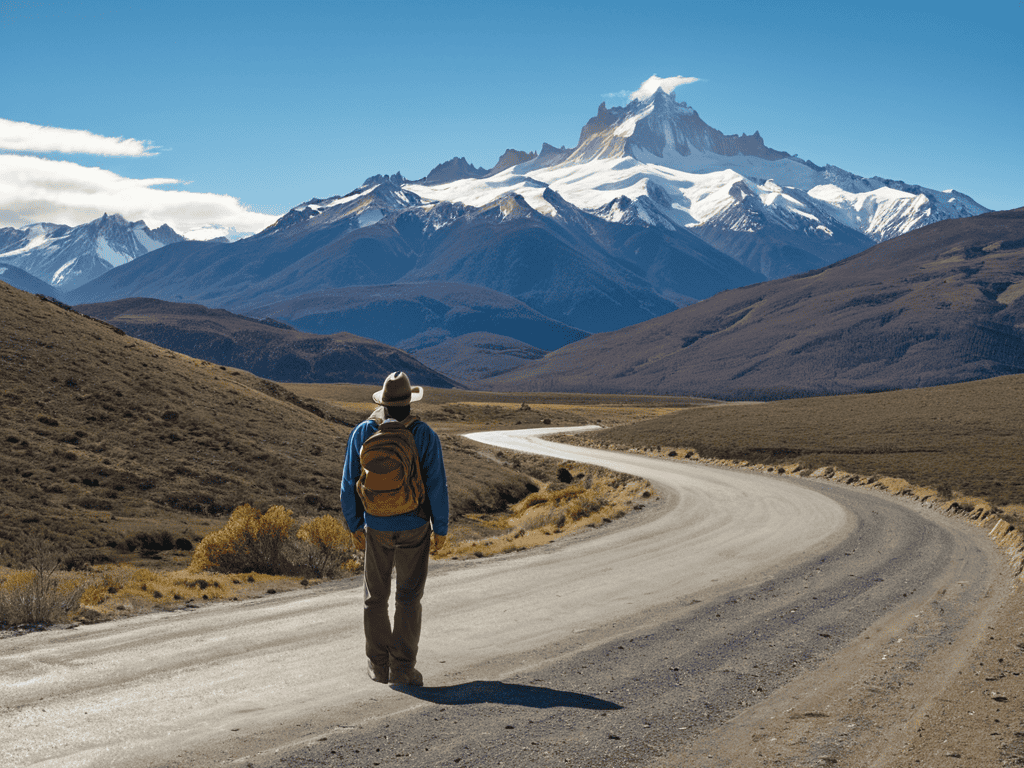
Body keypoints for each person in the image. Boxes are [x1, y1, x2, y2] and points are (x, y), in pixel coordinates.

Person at [340, 371, 449, 686]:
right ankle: (402, 669)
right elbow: (436, 484)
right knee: (408, 597)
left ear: (383, 404)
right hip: (415, 525)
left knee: (375, 597)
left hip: (375, 525)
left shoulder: (363, 432)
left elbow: (349, 483)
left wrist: (354, 523)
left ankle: (378, 666)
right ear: (409, 403)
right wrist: (439, 527)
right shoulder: (424, 435)